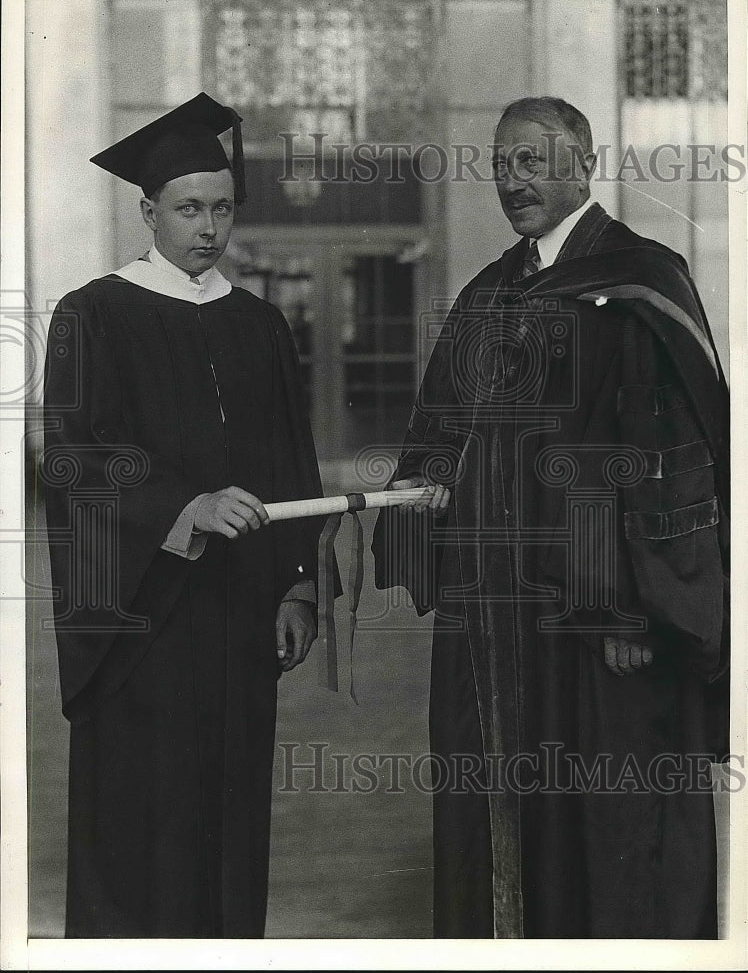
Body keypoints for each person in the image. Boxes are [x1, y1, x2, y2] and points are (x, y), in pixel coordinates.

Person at [372, 96, 729, 938]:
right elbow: (437, 429)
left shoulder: (641, 284)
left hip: (599, 625)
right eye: (500, 165)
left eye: (531, 162)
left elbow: (669, 462)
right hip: (494, 621)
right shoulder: (488, 293)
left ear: (584, 161)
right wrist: (426, 484)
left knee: (608, 824)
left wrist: (640, 608)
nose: (511, 180)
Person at [42, 93, 324, 938]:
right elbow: (72, 458)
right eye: (188, 208)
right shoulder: (93, 314)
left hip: (242, 619)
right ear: (148, 210)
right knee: (146, 829)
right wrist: (183, 504)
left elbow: (293, 466)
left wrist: (299, 586)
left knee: (230, 825)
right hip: (146, 619)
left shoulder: (260, 324)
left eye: (222, 208)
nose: (208, 227)